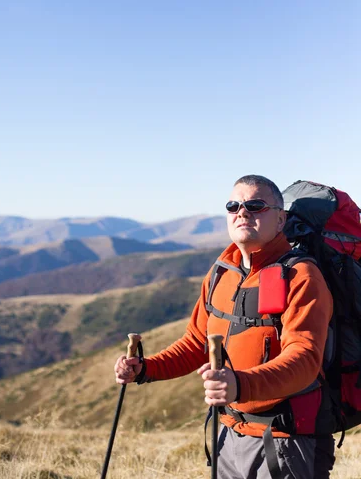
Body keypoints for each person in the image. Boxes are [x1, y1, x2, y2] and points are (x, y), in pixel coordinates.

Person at [114, 175, 335, 479]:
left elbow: (305, 359)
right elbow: (195, 344)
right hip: (227, 434)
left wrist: (240, 384)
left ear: (280, 219)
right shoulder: (222, 272)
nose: (242, 212)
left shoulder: (301, 276)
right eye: (234, 206)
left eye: (256, 206)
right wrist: (145, 368)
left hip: (286, 440)